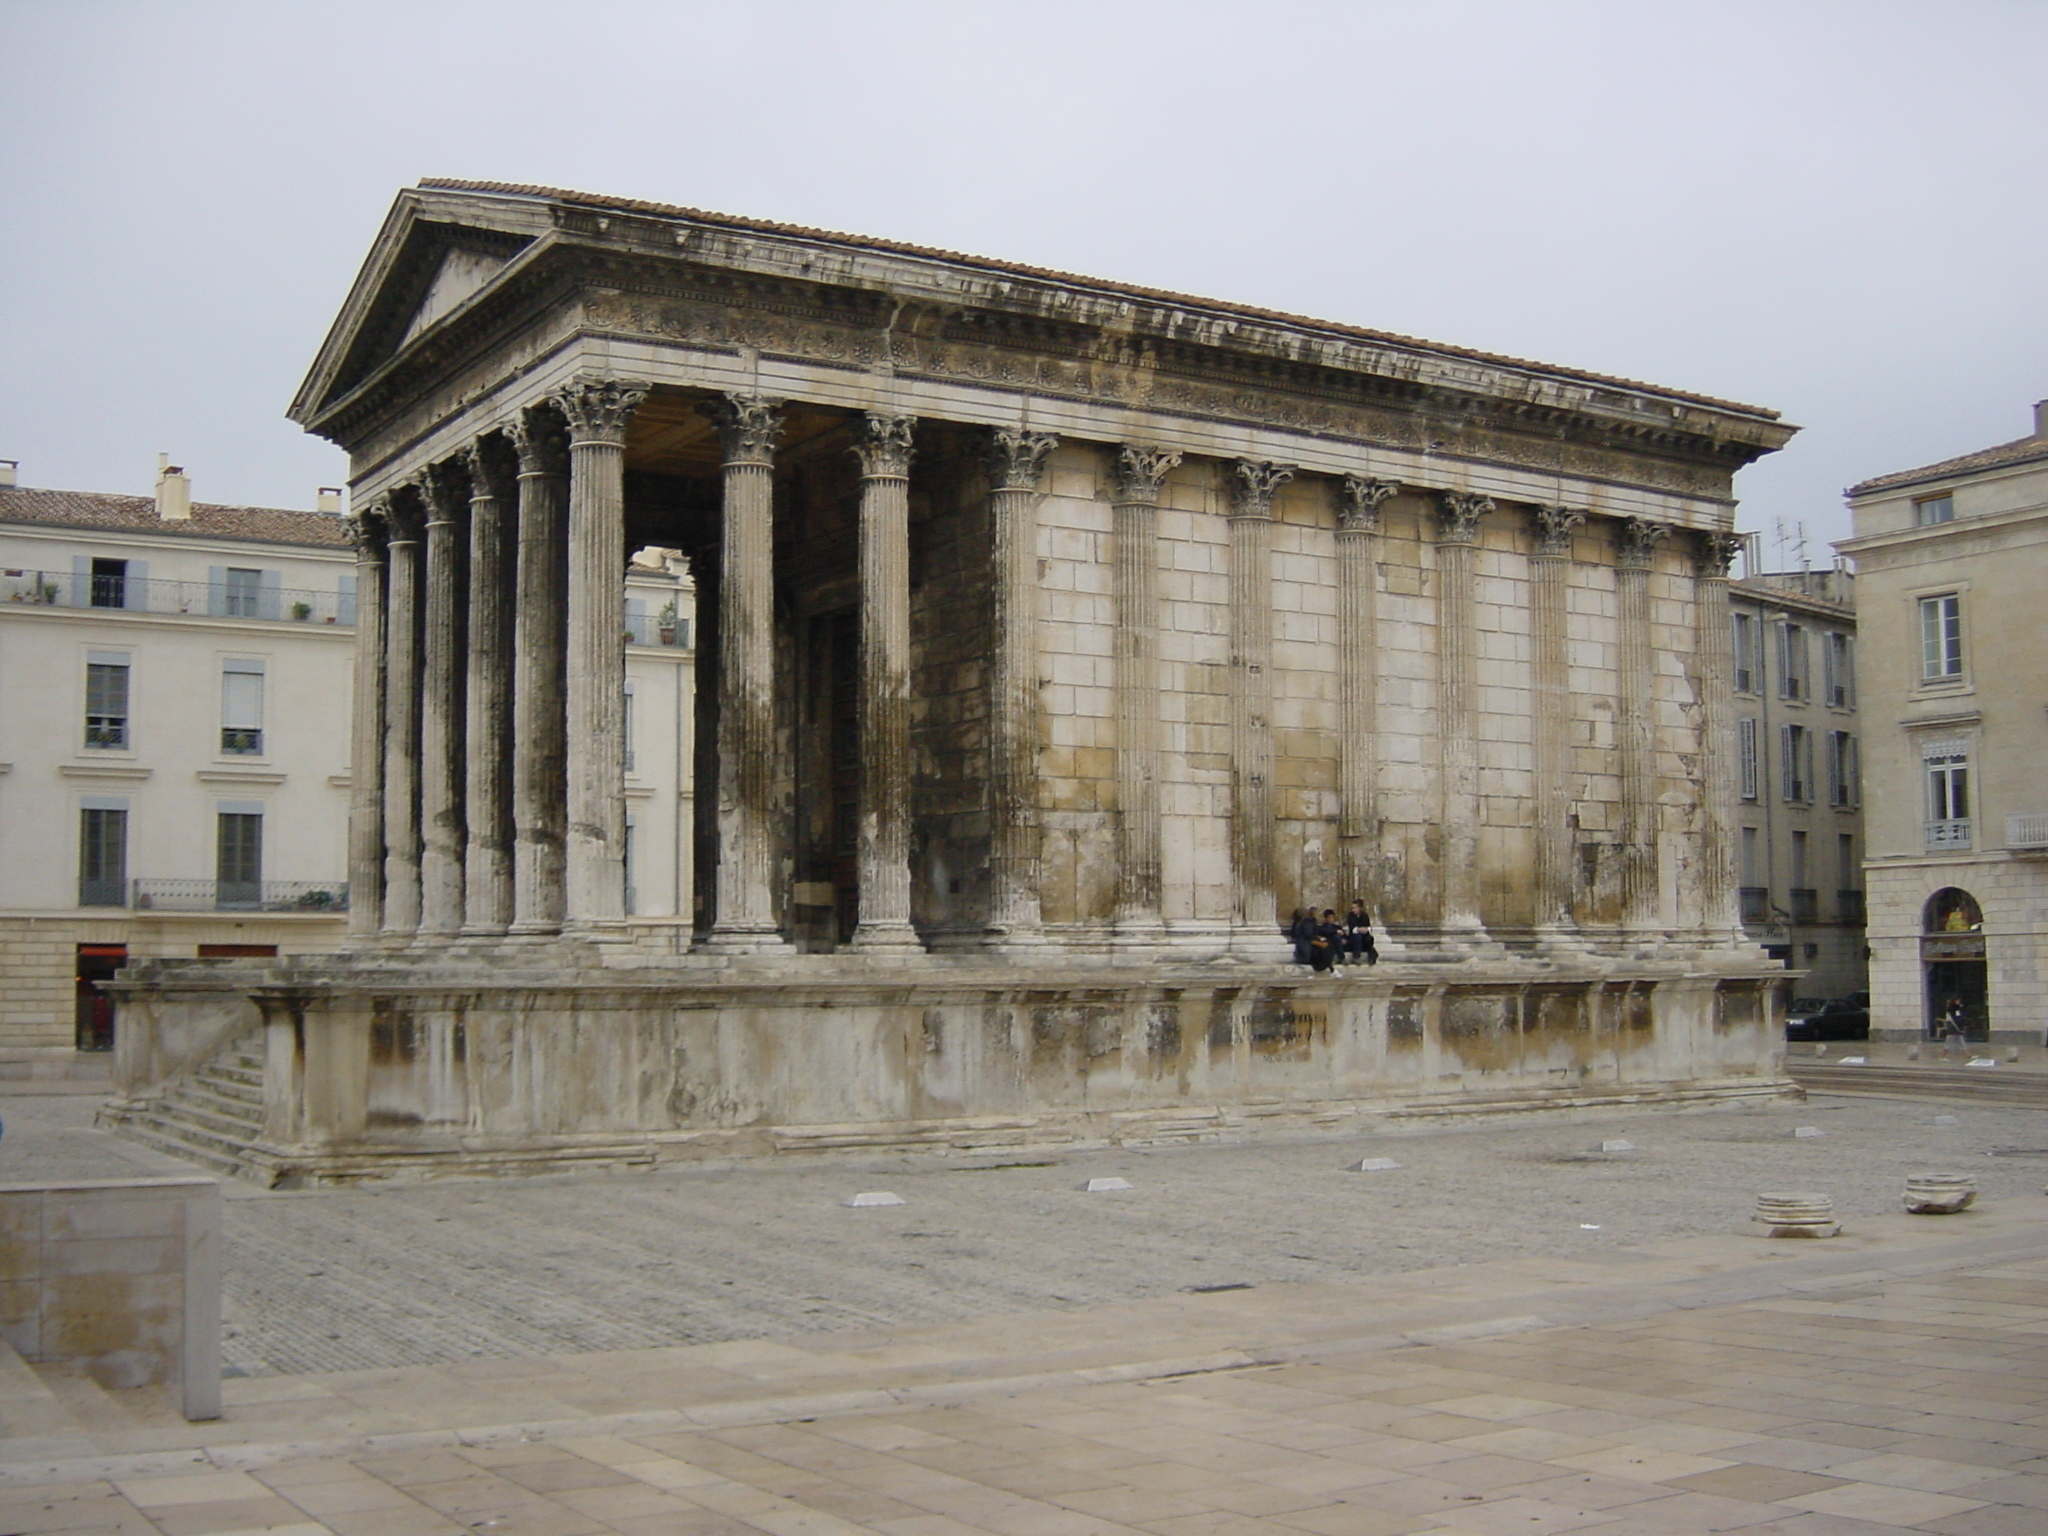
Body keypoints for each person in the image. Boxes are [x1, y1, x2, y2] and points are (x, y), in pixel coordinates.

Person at [1342, 900, 1378, 966]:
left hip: (1364, 936)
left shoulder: (1365, 915)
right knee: (1357, 936)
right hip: (1353, 937)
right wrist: (1360, 929)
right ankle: (1356, 957)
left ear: (1360, 908)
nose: (1353, 910)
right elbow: (1353, 929)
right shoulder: (1350, 916)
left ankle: (1371, 958)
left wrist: (1366, 929)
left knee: (1369, 939)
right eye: (1352, 908)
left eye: (1355, 908)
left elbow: (1368, 927)